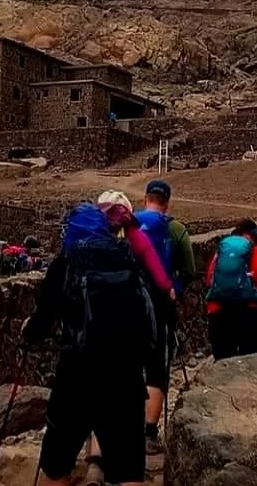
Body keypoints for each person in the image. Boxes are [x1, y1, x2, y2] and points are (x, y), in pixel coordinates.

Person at [23, 201, 155, 486]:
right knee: (129, 471)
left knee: (57, 466)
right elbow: (147, 317)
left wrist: (28, 337)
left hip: (77, 377)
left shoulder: (65, 263)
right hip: (126, 377)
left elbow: (41, 321)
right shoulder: (127, 257)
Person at [86, 191, 174, 486]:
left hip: (93, 341)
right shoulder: (137, 246)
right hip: (130, 343)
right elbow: (161, 280)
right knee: (128, 403)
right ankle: (131, 464)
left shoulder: (82, 248)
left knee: (98, 397)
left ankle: (96, 463)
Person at [134, 180, 195, 455]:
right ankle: (149, 432)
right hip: (161, 306)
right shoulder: (176, 230)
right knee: (158, 368)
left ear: (145, 198)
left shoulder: (128, 226)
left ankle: (121, 428)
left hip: (129, 304)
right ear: (167, 202)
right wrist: (174, 289)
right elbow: (188, 270)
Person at [205, 218, 257, 360]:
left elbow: (209, 281)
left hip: (219, 311)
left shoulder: (220, 253)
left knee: (222, 360)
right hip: (250, 312)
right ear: (253, 235)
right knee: (249, 360)